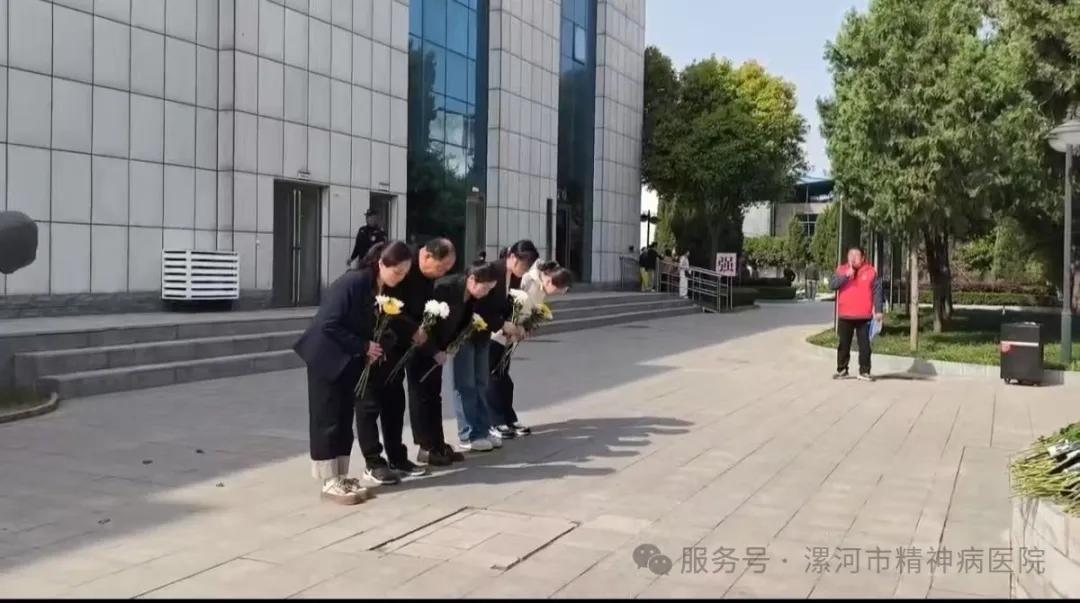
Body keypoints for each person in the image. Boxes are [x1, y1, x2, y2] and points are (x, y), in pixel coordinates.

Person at [293, 240, 412, 504]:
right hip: (326, 357)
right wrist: (363, 346)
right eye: (397, 272)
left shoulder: (378, 287)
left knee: (344, 417)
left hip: (349, 360)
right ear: (381, 263)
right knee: (328, 418)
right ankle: (328, 480)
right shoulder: (354, 282)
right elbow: (329, 324)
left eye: (405, 273)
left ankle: (341, 475)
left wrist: (375, 346)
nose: (400, 278)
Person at [385, 238, 460, 468]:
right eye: (441, 267)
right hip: (399, 338)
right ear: (426, 256)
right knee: (418, 392)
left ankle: (437, 443)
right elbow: (392, 307)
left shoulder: (429, 275)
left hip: (425, 336)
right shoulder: (405, 265)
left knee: (433, 391)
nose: (443, 273)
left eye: (447, 269)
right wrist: (417, 335)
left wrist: (438, 346)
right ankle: (425, 446)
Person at [487, 259, 572, 439]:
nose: (557, 294)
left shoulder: (541, 289)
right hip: (498, 334)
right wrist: (509, 326)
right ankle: (495, 421)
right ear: (549, 280)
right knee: (495, 378)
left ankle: (509, 418)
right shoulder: (527, 280)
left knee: (504, 379)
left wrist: (525, 328)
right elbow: (508, 302)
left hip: (511, 336)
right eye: (558, 290)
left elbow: (528, 312)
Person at [433, 261, 506, 452]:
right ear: (472, 279)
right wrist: (444, 345)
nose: (486, 293)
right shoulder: (449, 288)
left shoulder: (473, 295)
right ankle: (468, 433)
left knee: (481, 383)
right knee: (465, 386)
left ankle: (482, 430)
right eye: (485, 288)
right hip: (461, 340)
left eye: (490, 289)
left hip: (477, 335)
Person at [829, 246, 884, 381]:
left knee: (865, 346)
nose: (853, 258)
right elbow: (832, 285)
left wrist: (878, 310)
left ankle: (864, 371)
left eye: (856, 255)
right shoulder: (841, 270)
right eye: (850, 255)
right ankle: (842, 370)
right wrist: (846, 276)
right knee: (844, 344)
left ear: (863, 258)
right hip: (845, 315)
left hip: (864, 316)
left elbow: (877, 292)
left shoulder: (871, 271)